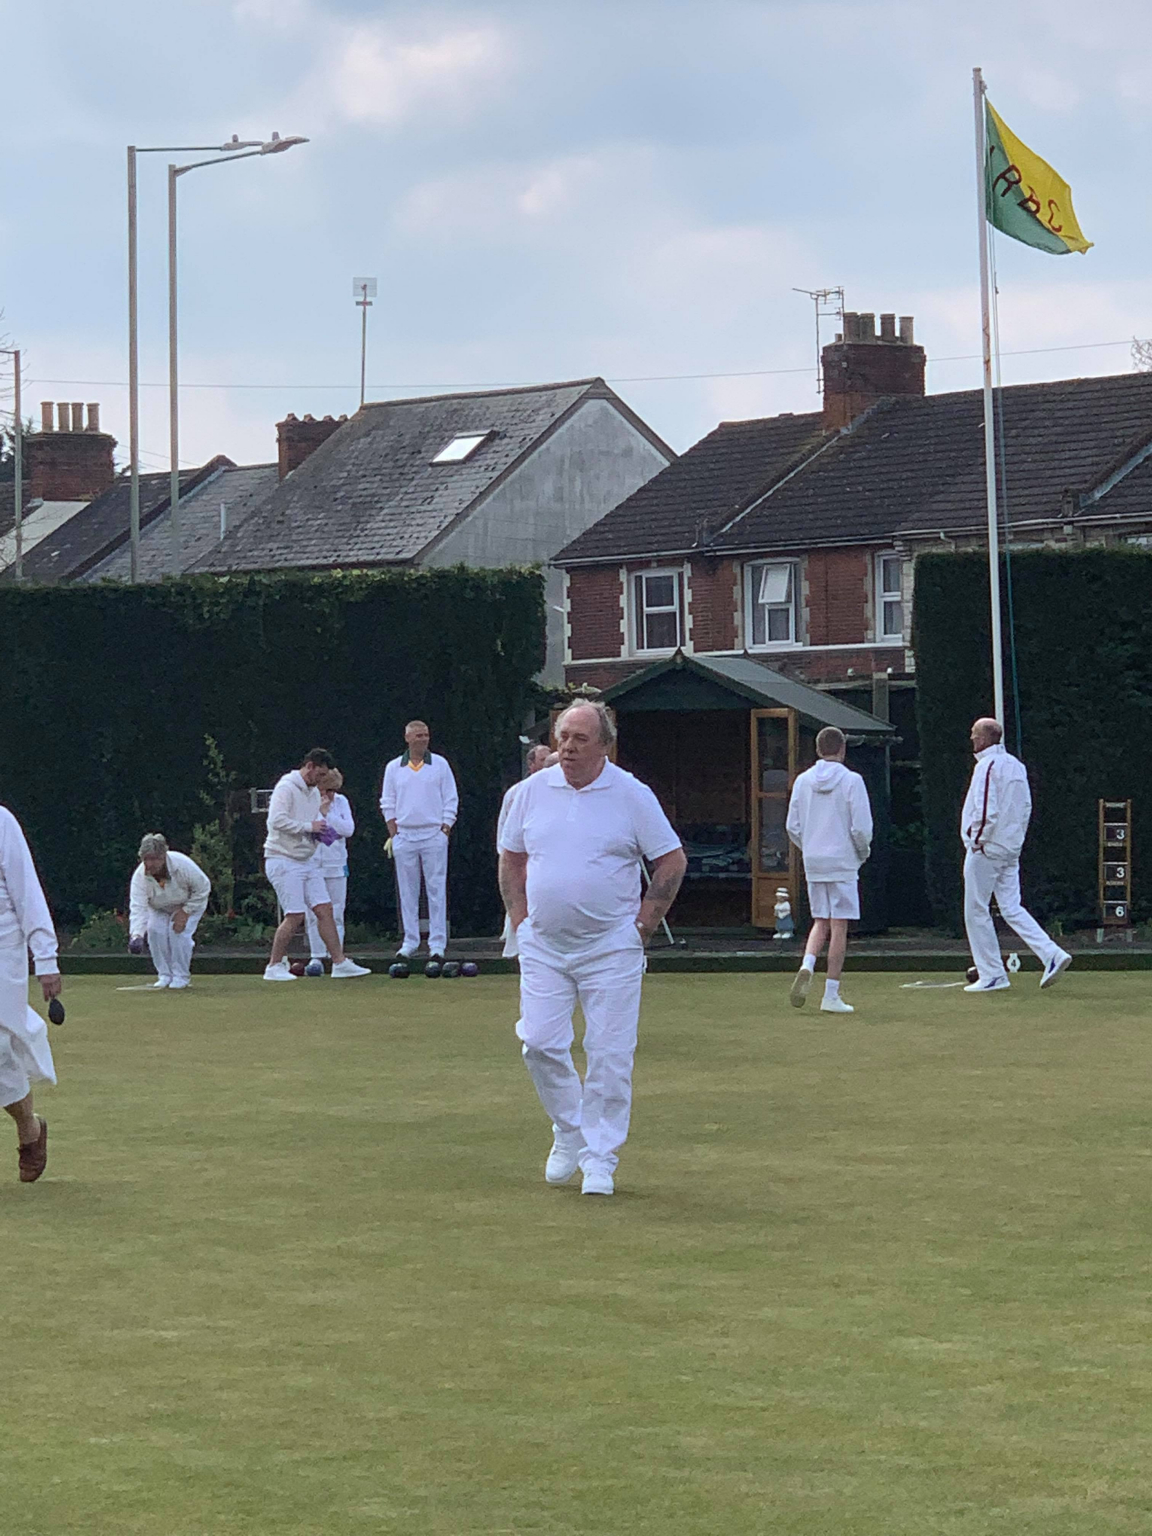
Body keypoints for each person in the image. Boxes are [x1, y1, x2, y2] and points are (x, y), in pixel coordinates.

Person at [498, 701, 686, 1197]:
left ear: (605, 744)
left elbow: (670, 861)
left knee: (608, 1054)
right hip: (544, 945)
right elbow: (512, 858)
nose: (568, 746)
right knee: (538, 1043)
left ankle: (600, 1158)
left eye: (581, 738)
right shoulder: (530, 793)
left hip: (612, 948)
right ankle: (569, 1129)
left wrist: (642, 927)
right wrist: (521, 923)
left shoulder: (631, 795)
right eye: (563, 736)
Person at [961, 716, 1071, 993]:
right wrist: (1015, 841)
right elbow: (1025, 807)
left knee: (976, 909)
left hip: (988, 848)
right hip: (1009, 848)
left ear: (986, 738)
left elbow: (986, 808)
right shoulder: (1016, 766)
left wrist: (977, 841)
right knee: (1011, 907)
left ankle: (992, 975)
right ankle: (1052, 954)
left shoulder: (988, 766)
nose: (972, 738)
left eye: (975, 734)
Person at [785, 726, 873, 1014]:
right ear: (843, 749)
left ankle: (808, 963)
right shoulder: (852, 780)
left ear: (818, 749)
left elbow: (792, 827)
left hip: (814, 861)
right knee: (839, 925)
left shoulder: (802, 781)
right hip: (843, 861)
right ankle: (830, 995)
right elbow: (861, 828)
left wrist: (809, 848)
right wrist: (861, 854)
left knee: (820, 920)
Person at [263, 748, 370, 981]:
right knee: (295, 915)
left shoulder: (313, 793)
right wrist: (309, 827)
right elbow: (276, 820)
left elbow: (315, 822)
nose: (322, 781)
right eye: (320, 775)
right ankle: (273, 966)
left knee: (325, 909)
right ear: (309, 766)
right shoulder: (286, 786)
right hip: (282, 858)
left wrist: (322, 831)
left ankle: (339, 963)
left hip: (306, 859)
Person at [0, 805, 62, 1183]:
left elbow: (27, 890)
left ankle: (29, 1127)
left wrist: (46, 957)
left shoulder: (1, 821)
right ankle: (31, 1130)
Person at [381, 721, 459, 961]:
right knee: (408, 891)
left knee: (436, 890)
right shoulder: (394, 767)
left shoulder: (440, 764)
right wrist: (394, 833)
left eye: (425, 735)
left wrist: (445, 828)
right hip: (405, 835)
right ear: (407, 738)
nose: (423, 739)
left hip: (433, 834)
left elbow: (451, 798)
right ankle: (410, 941)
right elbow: (387, 800)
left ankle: (437, 943)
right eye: (418, 735)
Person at [128, 833, 212, 990]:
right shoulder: (140, 876)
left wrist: (186, 911)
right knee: (155, 931)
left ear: (163, 856)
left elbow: (203, 887)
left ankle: (181, 976)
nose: (149, 864)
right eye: (145, 859)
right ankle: (165, 975)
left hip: (188, 903)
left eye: (153, 859)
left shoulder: (182, 865)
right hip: (159, 907)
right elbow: (138, 907)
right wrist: (136, 935)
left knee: (178, 933)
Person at [498, 744, 552, 960]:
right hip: (524, 860)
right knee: (520, 899)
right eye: (543, 760)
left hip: (547, 861)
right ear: (531, 765)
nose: (548, 765)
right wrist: (508, 858)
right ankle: (514, 948)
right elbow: (505, 829)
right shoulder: (517, 793)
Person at [303, 768, 355, 970]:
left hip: (336, 864)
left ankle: (337, 957)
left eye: (333, 790)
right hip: (312, 864)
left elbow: (348, 830)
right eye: (327, 790)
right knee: (313, 911)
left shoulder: (341, 802)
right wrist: (320, 815)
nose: (330, 795)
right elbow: (307, 828)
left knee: (336, 912)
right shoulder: (307, 802)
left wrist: (327, 816)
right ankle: (317, 956)